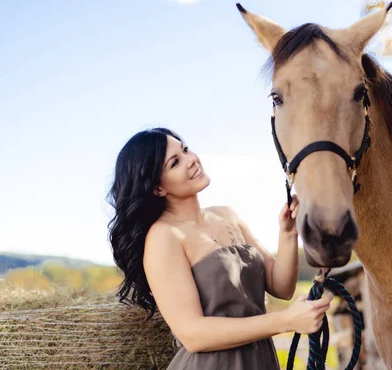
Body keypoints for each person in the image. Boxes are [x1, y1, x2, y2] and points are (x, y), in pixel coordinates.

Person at [107, 127, 332, 369]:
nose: (191, 160)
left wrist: (288, 234)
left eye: (185, 149)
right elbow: (193, 334)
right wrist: (284, 321)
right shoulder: (163, 237)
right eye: (175, 162)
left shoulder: (226, 214)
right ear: (157, 188)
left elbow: (282, 287)